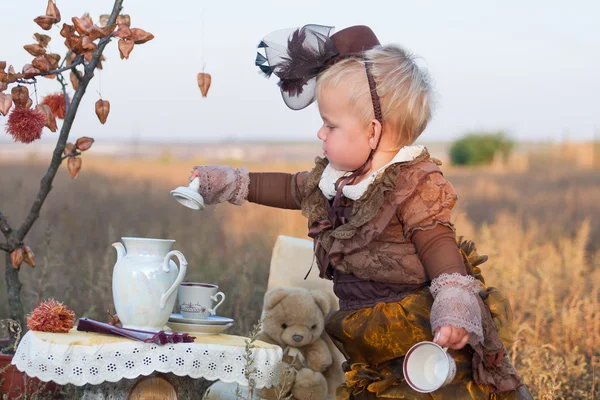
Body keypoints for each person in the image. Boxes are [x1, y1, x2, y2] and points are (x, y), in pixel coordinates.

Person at [190, 25, 532, 399]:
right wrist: (228, 182)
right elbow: (290, 187)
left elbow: (437, 242)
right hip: (372, 336)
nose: (321, 134)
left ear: (372, 131)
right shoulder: (341, 179)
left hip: (416, 332)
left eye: (330, 124)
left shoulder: (409, 181)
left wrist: (453, 301)